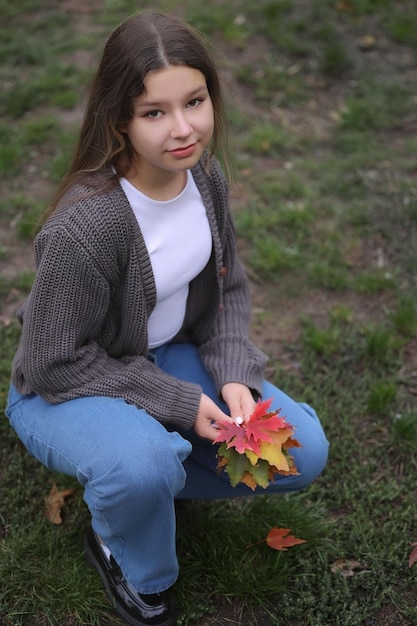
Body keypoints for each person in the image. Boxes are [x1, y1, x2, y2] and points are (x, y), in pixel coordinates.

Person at [5, 11, 329, 626]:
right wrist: (176, 403)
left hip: (163, 355)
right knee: (143, 463)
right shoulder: (86, 227)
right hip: (62, 387)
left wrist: (234, 374)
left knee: (299, 454)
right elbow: (51, 360)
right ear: (119, 119)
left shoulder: (204, 177)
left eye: (195, 101)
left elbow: (228, 289)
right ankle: (126, 547)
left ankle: (142, 487)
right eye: (154, 112)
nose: (183, 129)